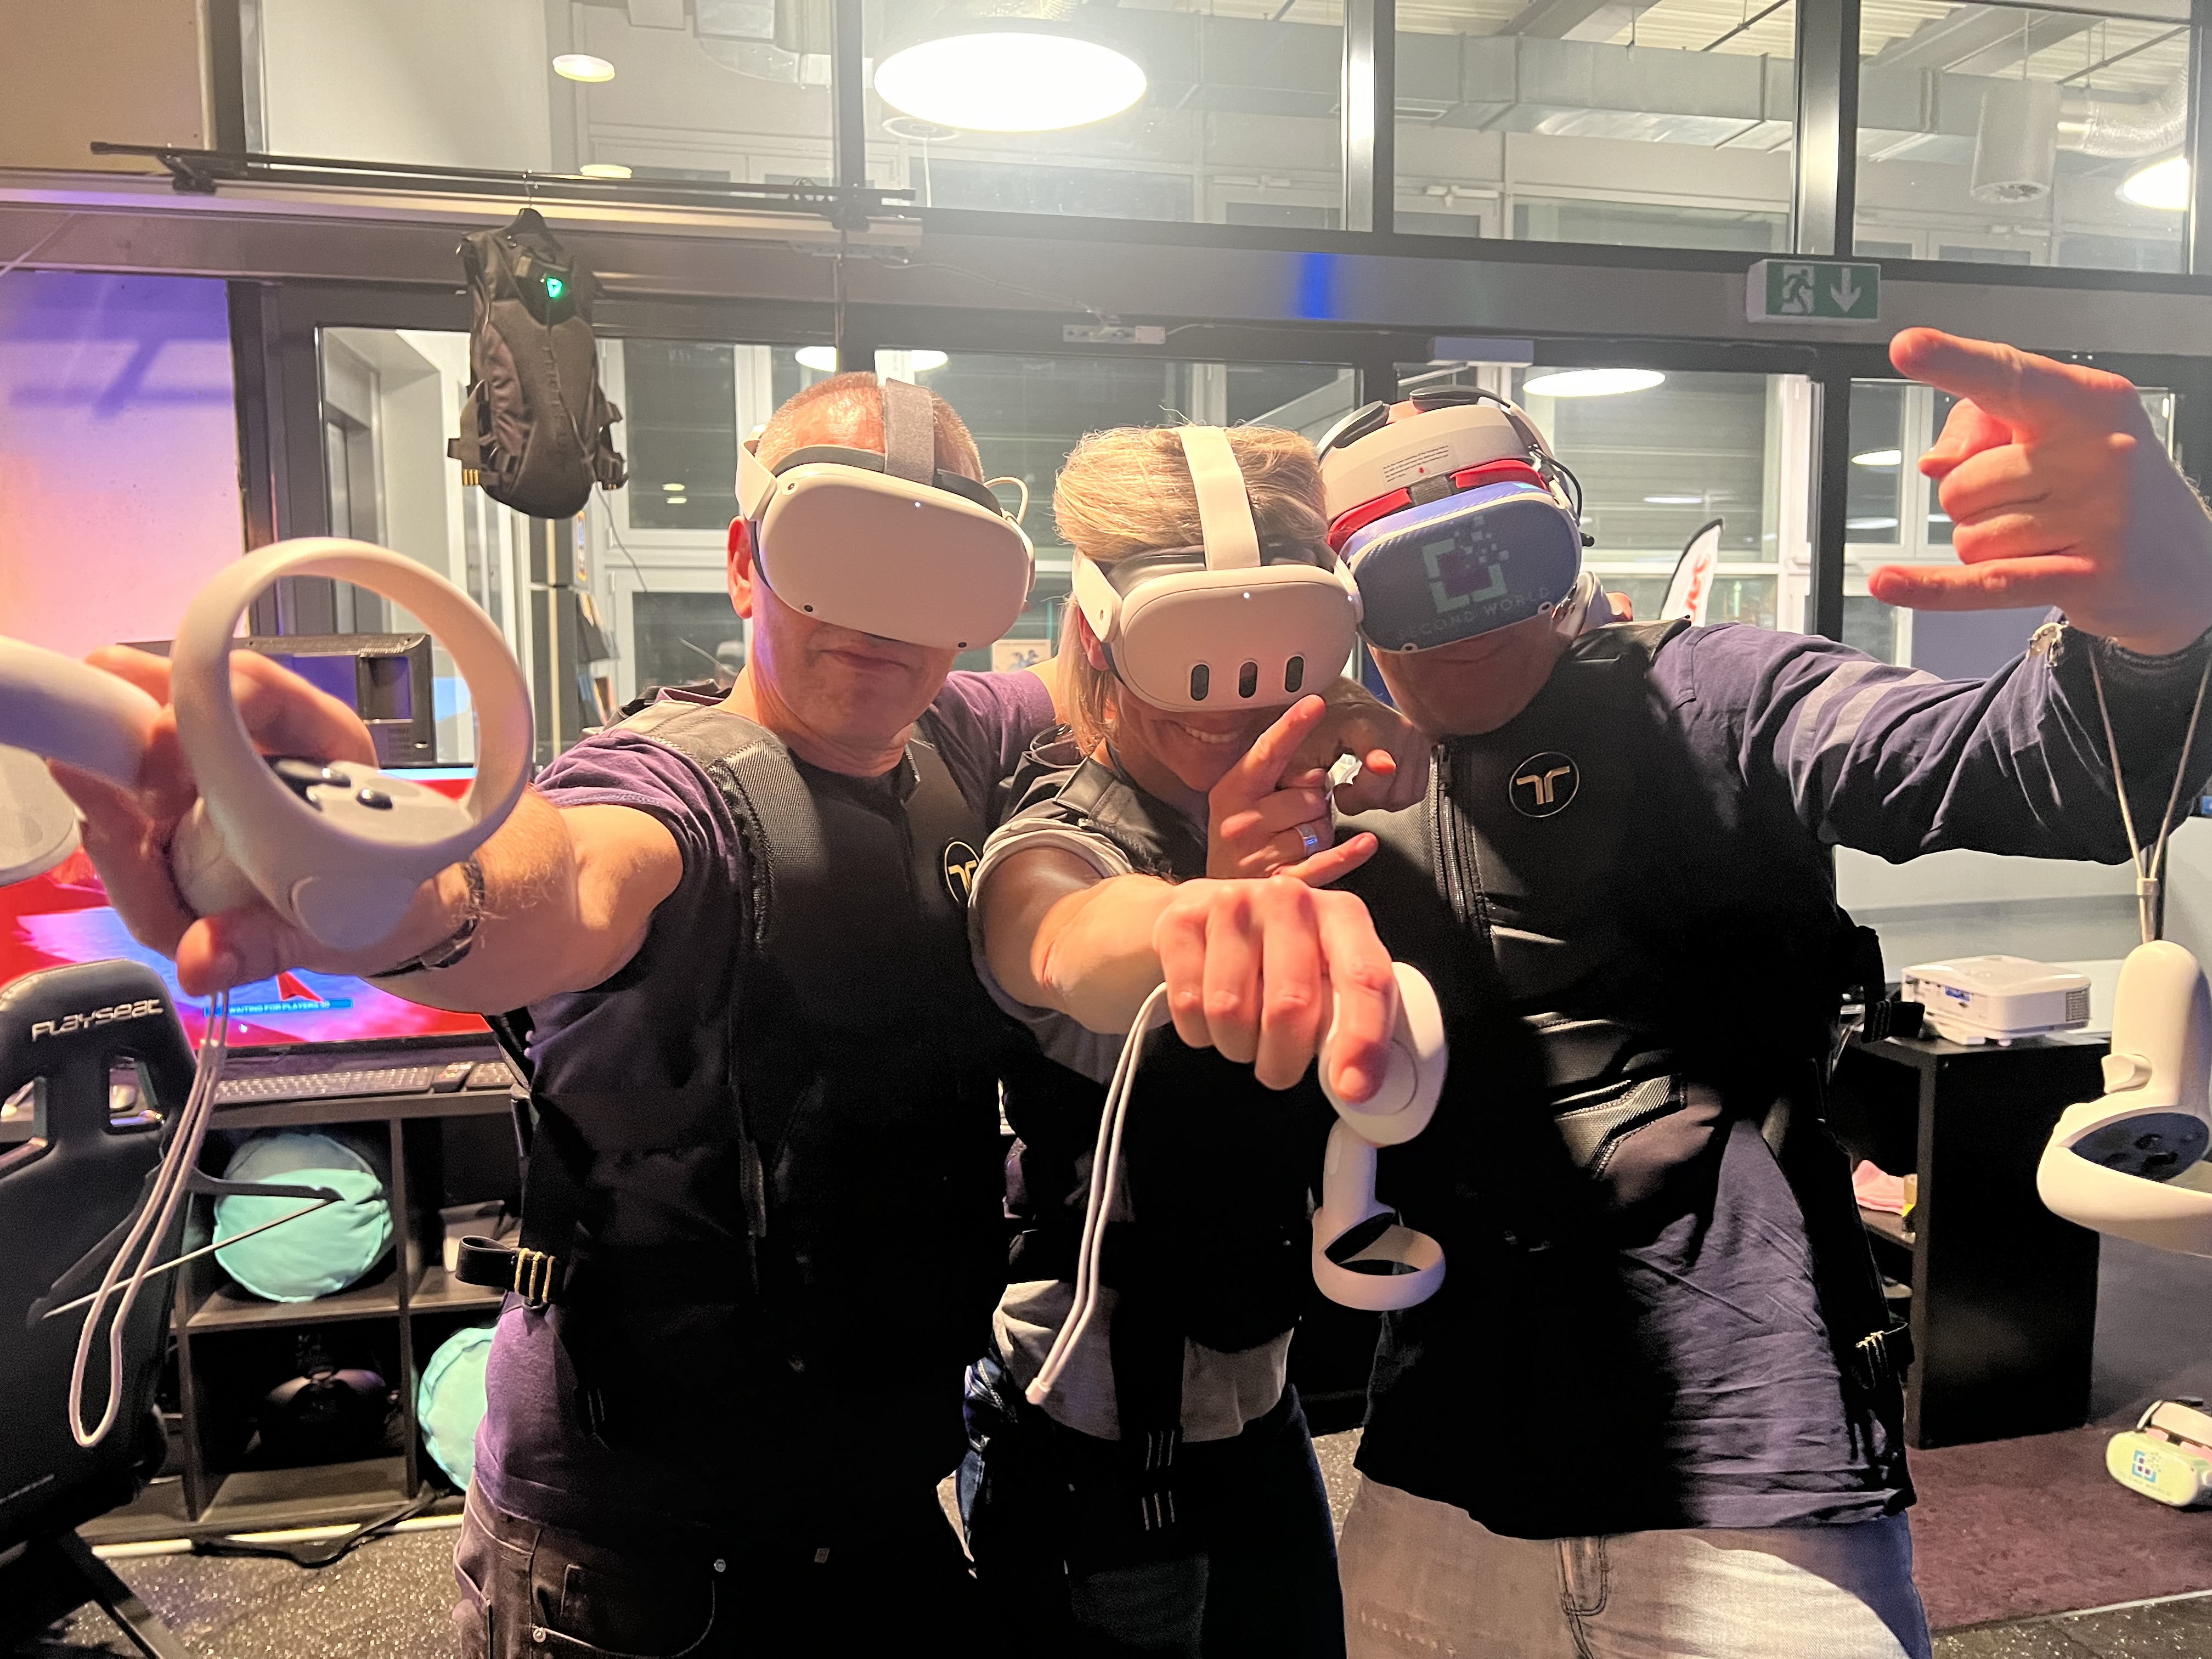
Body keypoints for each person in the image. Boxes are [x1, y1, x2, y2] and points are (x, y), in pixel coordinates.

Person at [50, 375, 1426, 1655]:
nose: (876, 618)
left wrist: (1344, 704)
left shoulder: (964, 736)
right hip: (638, 1553)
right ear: (742, 561)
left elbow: (1173, 692)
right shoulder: (673, 788)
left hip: (879, 1503)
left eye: (933, 572)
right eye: (834, 556)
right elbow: (556, 878)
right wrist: (383, 877)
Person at [1310, 331, 2212, 1658]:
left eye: (1501, 556)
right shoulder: (1329, 786)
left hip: (1755, 1475)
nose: (1472, 612)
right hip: (1447, 1467)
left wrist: (2154, 624)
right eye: (1415, 579)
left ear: (1567, 541)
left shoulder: (1715, 693)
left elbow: (2033, 769)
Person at [962, 425, 1385, 1657]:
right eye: (1187, 654)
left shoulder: (1291, 809)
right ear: (1099, 640)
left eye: (1278, 654)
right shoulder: (1065, 832)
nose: (1232, 702)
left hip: (1256, 1403)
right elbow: (1061, 933)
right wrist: (1212, 912)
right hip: (1097, 1434)